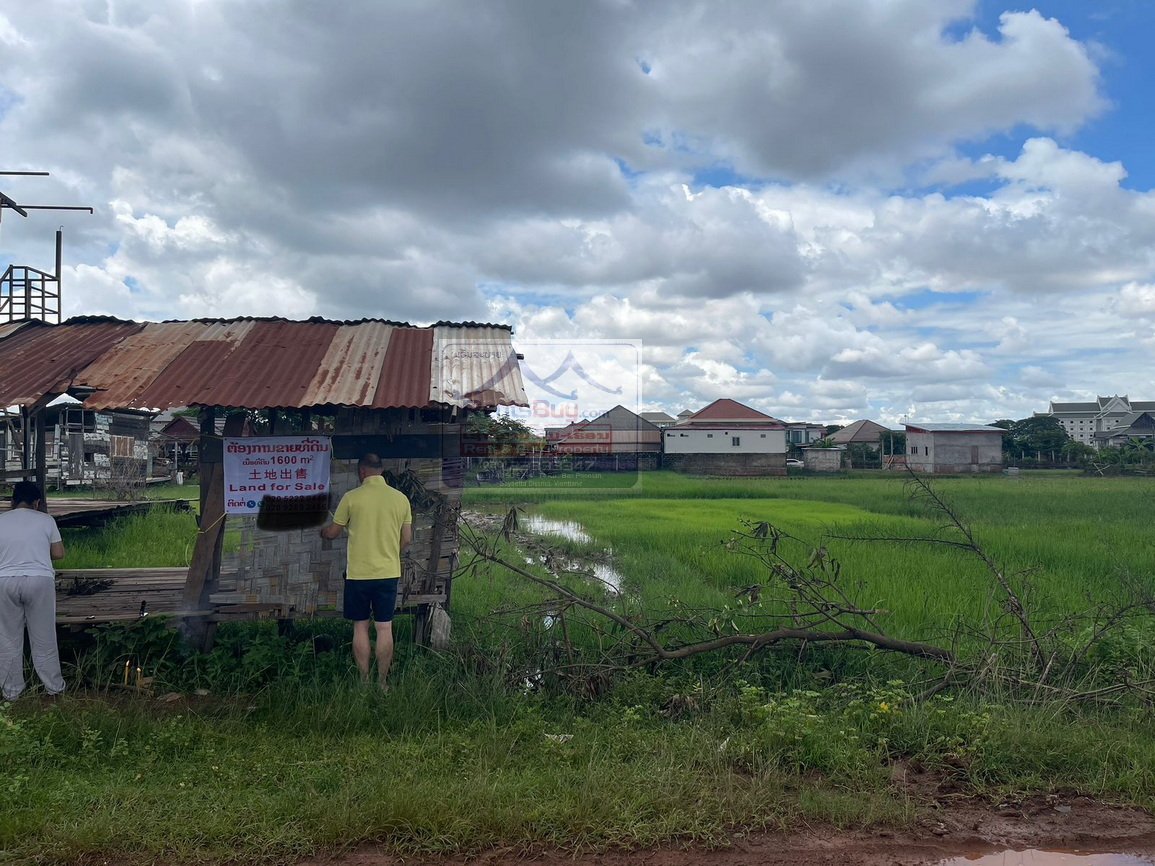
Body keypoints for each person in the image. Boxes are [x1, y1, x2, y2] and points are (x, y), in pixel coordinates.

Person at [320, 454, 412, 688]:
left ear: (362, 472)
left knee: (360, 626)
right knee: (384, 627)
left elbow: (333, 533)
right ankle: (382, 683)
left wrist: (324, 532)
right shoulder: (400, 499)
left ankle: (364, 681)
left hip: (359, 575)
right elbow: (407, 538)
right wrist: (391, 553)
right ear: (381, 471)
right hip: (388, 573)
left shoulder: (351, 498)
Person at [0, 481, 66, 702]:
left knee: (8, 638)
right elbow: (58, 553)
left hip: (5, 580)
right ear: (37, 503)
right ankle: (54, 688)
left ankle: (11, 692)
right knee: (44, 637)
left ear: (12, 501)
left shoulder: (1, 520)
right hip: (40, 580)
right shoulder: (46, 520)